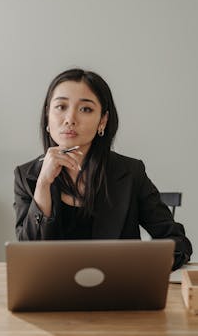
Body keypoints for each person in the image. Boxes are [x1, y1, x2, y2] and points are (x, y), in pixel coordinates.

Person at [13, 68, 192, 270]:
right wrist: (43, 184)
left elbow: (177, 241)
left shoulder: (130, 172)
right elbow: (27, 257)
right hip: (50, 296)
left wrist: (147, 266)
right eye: (61, 106)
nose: (70, 118)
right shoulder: (26, 176)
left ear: (103, 120)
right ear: (47, 116)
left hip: (118, 294)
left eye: (85, 109)